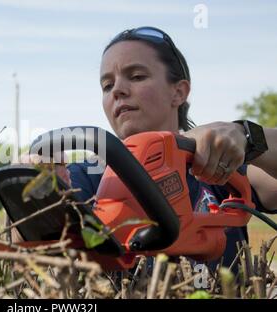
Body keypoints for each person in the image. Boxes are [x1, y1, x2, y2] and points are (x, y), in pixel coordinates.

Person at [64, 26, 277, 273]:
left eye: (136, 76)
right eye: (107, 85)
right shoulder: (89, 174)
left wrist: (247, 136)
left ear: (178, 92)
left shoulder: (217, 164)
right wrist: (36, 183)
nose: (118, 91)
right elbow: (31, 240)